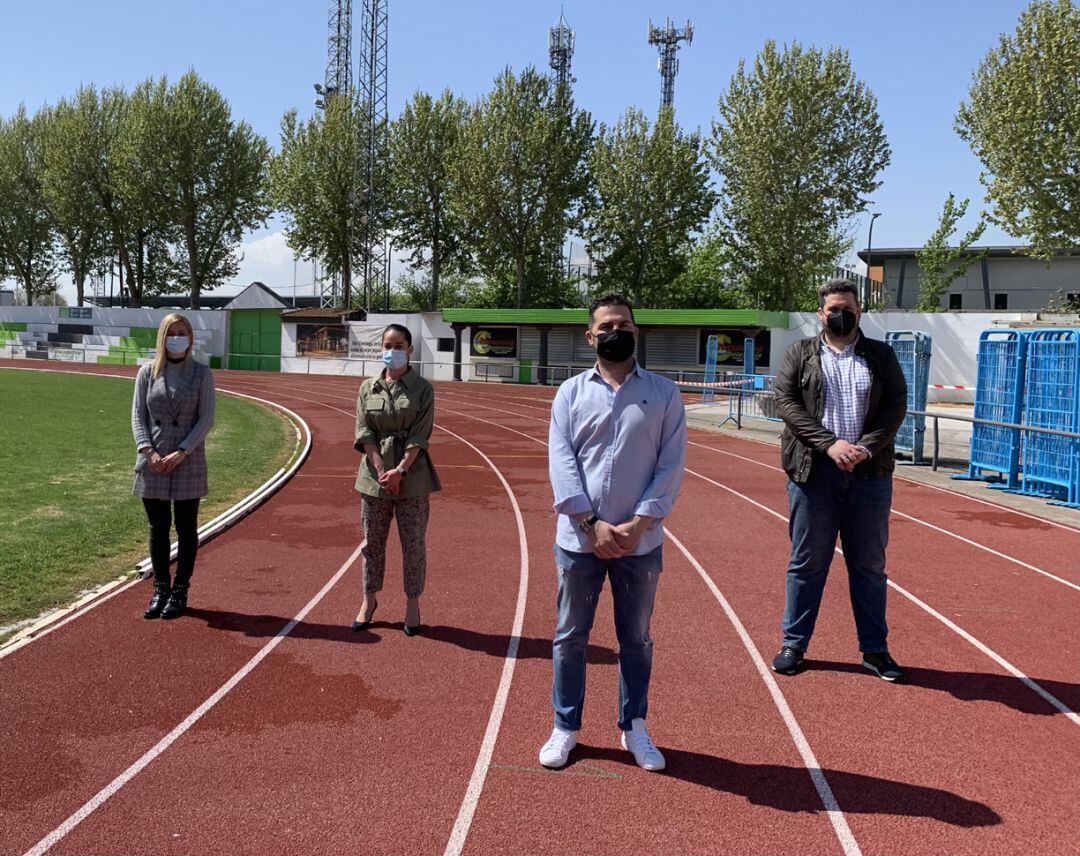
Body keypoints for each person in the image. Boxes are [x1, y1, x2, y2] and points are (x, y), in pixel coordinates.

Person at [540, 294, 687, 771]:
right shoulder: (569, 394)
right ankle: (565, 726)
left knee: (637, 639)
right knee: (569, 637)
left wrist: (639, 522)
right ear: (590, 337)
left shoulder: (665, 394)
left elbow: (670, 465)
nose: (614, 332)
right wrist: (591, 524)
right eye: (605, 326)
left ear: (636, 331)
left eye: (622, 324)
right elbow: (561, 463)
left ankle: (634, 727)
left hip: (639, 543)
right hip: (579, 542)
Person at [771, 278, 908, 681]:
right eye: (833, 308)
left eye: (847, 307)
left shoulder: (880, 355)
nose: (840, 314)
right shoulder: (800, 353)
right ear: (821, 313)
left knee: (868, 566)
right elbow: (787, 404)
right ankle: (793, 644)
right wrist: (830, 445)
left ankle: (875, 650)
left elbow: (896, 406)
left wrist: (864, 447)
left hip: (869, 475)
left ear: (859, 311)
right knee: (807, 564)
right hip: (813, 474)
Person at [352, 324, 441, 636]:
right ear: (381, 349)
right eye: (388, 345)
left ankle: (412, 604)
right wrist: (380, 470)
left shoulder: (423, 388)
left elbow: (420, 434)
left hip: (412, 478)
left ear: (410, 350)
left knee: (413, 545)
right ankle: (368, 601)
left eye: (399, 345)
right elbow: (364, 432)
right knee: (372, 544)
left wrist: (400, 471)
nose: (393, 350)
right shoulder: (367, 387)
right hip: (373, 478)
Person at [131, 313, 216, 620]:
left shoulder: (202, 374)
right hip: (152, 461)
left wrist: (182, 452)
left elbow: (206, 420)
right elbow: (137, 415)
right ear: (162, 337)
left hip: (187, 460)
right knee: (157, 529)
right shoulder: (146, 373)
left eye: (183, 332)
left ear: (191, 338)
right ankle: (160, 588)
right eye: (172, 332)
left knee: (186, 528)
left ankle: (180, 589)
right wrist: (148, 451)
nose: (178, 337)